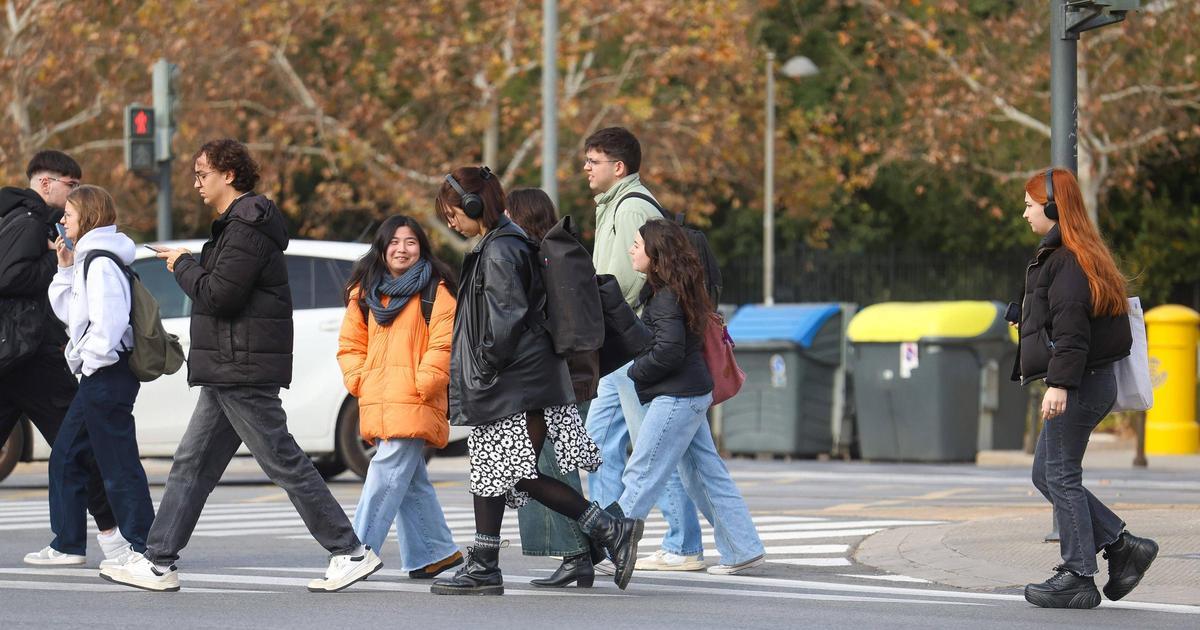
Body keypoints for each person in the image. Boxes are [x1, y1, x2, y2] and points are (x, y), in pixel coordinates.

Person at [101, 139, 379, 593]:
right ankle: (158, 561)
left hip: (241, 366)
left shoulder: (246, 227)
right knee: (191, 465)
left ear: (228, 175)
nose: (195, 183)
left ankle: (349, 551)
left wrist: (182, 265)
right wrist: (192, 264)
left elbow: (219, 295)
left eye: (201, 173)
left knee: (283, 461)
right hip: (228, 367)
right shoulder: (238, 225)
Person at [430, 166, 642, 595]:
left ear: (474, 205)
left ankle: (607, 528)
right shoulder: (500, 243)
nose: (451, 222)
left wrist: (486, 365)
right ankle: (487, 562)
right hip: (521, 380)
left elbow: (505, 320)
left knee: (514, 471)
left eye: (453, 213)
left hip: (516, 382)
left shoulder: (501, 249)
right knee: (494, 470)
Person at [1014, 168, 1158, 609]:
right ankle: (1121, 545)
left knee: (1060, 475)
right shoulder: (1068, 255)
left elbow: (1074, 333)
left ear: (1055, 209)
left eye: (1030, 204)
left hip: (1078, 383)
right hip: (1087, 382)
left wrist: (1058, 384)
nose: (1024, 213)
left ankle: (1078, 574)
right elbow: (1063, 316)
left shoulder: (1070, 261)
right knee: (1047, 474)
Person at [582, 127, 704, 573]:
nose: (586, 168)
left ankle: (682, 543)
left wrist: (606, 316)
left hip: (629, 340)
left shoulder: (631, 205)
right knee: (595, 444)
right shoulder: (613, 205)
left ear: (618, 167)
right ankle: (601, 537)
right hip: (617, 343)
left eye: (593, 160)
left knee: (650, 446)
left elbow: (632, 276)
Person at [618, 220, 766, 575]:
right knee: (706, 474)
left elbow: (668, 351)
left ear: (655, 255)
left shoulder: (665, 296)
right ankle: (743, 548)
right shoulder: (677, 290)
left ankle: (609, 544)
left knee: (642, 470)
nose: (631, 250)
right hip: (691, 392)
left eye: (637, 244)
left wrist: (634, 371)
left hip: (678, 396)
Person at [1, 151, 124, 567]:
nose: (76, 194)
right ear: (47, 183)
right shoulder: (33, 220)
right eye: (72, 185)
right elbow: (10, 277)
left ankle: (86, 539)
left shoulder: (16, 215)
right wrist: (56, 264)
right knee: (75, 448)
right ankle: (112, 536)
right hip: (30, 356)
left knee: (73, 448)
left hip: (14, 353)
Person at [32, 185, 155, 570]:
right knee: (69, 456)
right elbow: (71, 313)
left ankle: (141, 545)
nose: (62, 222)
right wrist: (64, 266)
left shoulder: (101, 261)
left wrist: (90, 360)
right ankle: (74, 543)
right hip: (99, 373)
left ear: (87, 217)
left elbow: (109, 323)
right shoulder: (89, 258)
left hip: (106, 372)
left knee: (115, 463)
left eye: (68, 215)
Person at [337, 215, 463, 580]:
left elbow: (444, 343)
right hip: (378, 395)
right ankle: (434, 553)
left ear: (421, 247)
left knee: (384, 473)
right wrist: (358, 378)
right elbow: (350, 344)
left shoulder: (435, 291)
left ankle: (357, 552)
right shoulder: (364, 292)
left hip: (415, 397)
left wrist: (423, 383)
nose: (401, 249)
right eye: (394, 241)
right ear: (382, 247)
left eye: (410, 242)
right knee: (408, 479)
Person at [505, 187, 599, 588]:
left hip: (554, 381)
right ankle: (584, 549)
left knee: (546, 466)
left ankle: (588, 546)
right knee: (547, 464)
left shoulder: (542, 258)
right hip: (568, 377)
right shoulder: (559, 251)